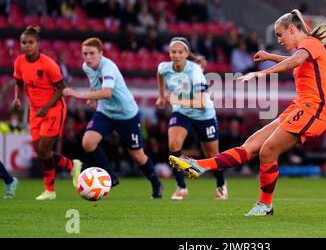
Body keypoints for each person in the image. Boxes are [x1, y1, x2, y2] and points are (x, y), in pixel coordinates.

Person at [170, 10, 326, 216]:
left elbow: (295, 61)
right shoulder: (307, 48)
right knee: (250, 146)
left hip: (314, 110)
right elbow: (295, 59)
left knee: (268, 151)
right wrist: (269, 57)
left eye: (279, 34)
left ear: (292, 29)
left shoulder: (310, 44)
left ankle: (265, 205)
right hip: (299, 107)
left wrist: (263, 71)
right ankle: (200, 166)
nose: (278, 39)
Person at [63, 38, 163, 199]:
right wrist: (91, 97)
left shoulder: (108, 67)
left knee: (137, 156)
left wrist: (81, 95)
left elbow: (107, 92)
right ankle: (110, 176)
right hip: (106, 112)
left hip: (127, 114)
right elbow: (94, 82)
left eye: (92, 53)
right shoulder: (86, 66)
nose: (88, 57)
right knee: (88, 143)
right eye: (85, 54)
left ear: (101, 53)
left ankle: (156, 184)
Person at [13, 26, 82, 200]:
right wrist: (17, 98)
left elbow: (61, 89)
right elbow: (19, 82)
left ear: (37, 44)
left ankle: (50, 191)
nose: (27, 46)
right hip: (35, 111)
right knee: (40, 152)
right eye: (23, 42)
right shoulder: (19, 62)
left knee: (44, 148)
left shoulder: (49, 64)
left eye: (30, 42)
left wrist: (45, 108)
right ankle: (72, 165)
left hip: (53, 109)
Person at [157, 37, 227, 200]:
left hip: (204, 114)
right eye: (173, 52)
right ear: (169, 53)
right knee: (173, 145)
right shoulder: (164, 67)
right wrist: (161, 96)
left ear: (187, 54)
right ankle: (181, 187)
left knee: (213, 154)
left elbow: (202, 103)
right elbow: (159, 74)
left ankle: (221, 184)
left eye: (180, 52)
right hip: (182, 112)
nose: (176, 55)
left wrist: (176, 100)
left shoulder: (195, 70)